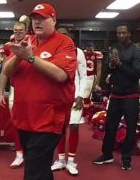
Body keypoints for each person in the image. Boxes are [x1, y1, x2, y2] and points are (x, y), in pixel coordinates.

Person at [3, 3, 77, 180]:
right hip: (25, 117)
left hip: (49, 120)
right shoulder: (27, 42)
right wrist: (19, 56)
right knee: (39, 166)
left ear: (54, 21)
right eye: (35, 19)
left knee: (34, 170)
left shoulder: (64, 42)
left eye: (42, 19)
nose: (37, 22)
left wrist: (29, 57)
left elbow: (60, 75)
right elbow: (7, 71)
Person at [93, 23, 140, 171]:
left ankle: (126, 159)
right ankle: (107, 154)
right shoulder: (114, 48)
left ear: (129, 34)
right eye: (118, 33)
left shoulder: (135, 50)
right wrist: (112, 65)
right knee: (110, 126)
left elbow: (135, 74)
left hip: (131, 96)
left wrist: (119, 64)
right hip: (116, 94)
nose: (120, 35)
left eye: (123, 33)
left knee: (131, 129)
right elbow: (107, 68)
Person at [51, 27, 89, 175]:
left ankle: (71, 161)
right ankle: (60, 160)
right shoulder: (53, 51)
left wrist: (81, 96)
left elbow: (84, 76)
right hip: (58, 97)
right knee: (59, 129)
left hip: (74, 97)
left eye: (65, 34)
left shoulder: (77, 52)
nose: (62, 37)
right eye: (60, 34)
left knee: (73, 127)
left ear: (70, 36)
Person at [0, 20, 28, 168]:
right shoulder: (8, 47)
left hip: (30, 89)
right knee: (16, 122)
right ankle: (19, 153)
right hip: (15, 89)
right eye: (15, 30)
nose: (17, 33)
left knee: (31, 122)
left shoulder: (32, 44)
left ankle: (30, 151)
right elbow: (4, 71)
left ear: (26, 31)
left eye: (20, 31)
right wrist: (0, 92)